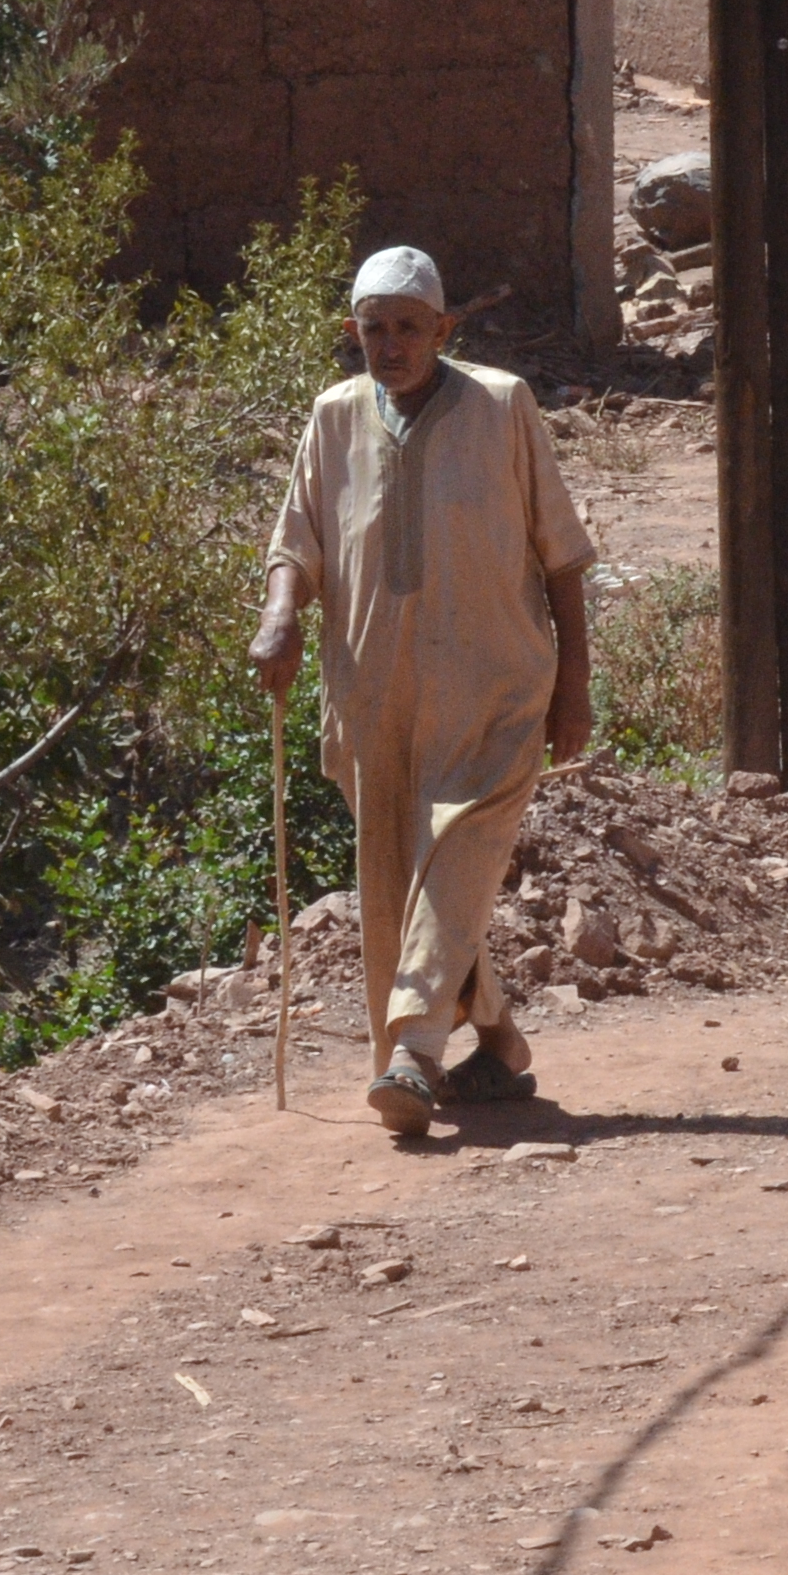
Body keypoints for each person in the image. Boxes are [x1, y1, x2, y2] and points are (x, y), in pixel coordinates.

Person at [250, 246, 598, 1136]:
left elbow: (561, 558)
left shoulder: (502, 405)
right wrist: (281, 616)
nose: (392, 344)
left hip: (499, 684)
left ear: (446, 330)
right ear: (353, 333)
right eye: (375, 329)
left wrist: (574, 687)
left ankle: (412, 1050)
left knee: (455, 849)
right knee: (406, 875)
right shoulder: (332, 418)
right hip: (376, 693)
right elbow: (297, 544)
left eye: (411, 328)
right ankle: (498, 1047)